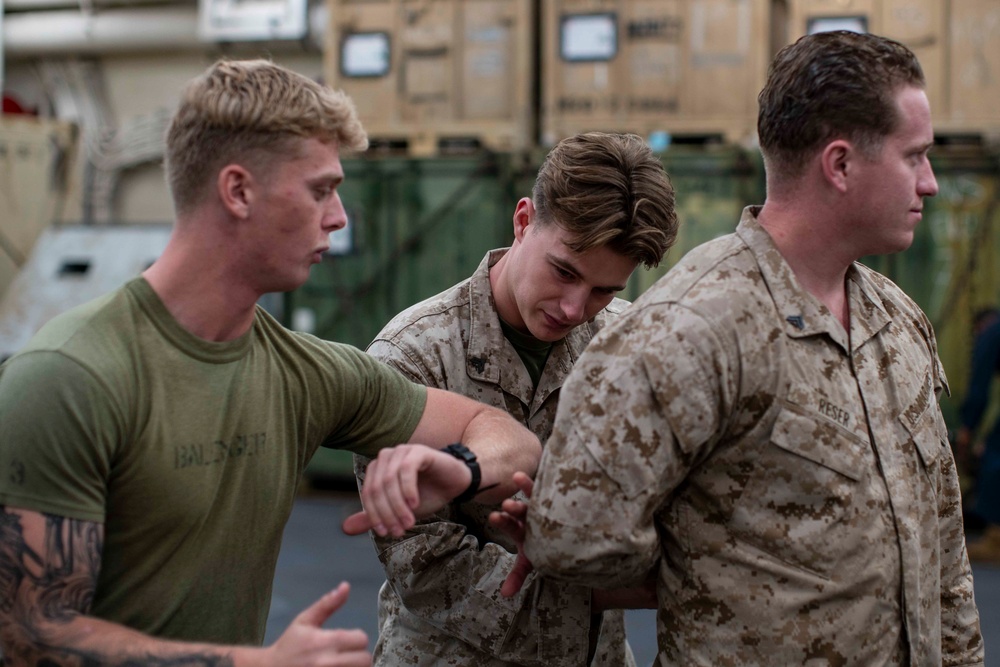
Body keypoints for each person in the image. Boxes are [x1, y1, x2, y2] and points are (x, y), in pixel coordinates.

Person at [0, 59, 541, 665]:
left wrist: (461, 469)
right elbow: (29, 637)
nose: (338, 217)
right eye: (320, 190)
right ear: (237, 191)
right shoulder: (68, 377)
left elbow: (509, 440)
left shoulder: (303, 373)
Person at [497, 31, 985, 665]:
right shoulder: (689, 329)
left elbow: (944, 552)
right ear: (839, 165)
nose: (931, 183)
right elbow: (574, 537)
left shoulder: (897, 322)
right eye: (914, 157)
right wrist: (701, 563)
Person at [353, 132, 678, 666]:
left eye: (604, 291)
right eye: (564, 272)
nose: (575, 308)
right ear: (523, 220)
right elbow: (427, 567)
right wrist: (601, 591)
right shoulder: (411, 356)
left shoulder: (632, 350)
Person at [956, 307, 1000, 562]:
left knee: (995, 455)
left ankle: (996, 537)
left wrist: (967, 429)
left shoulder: (991, 333)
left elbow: (979, 388)